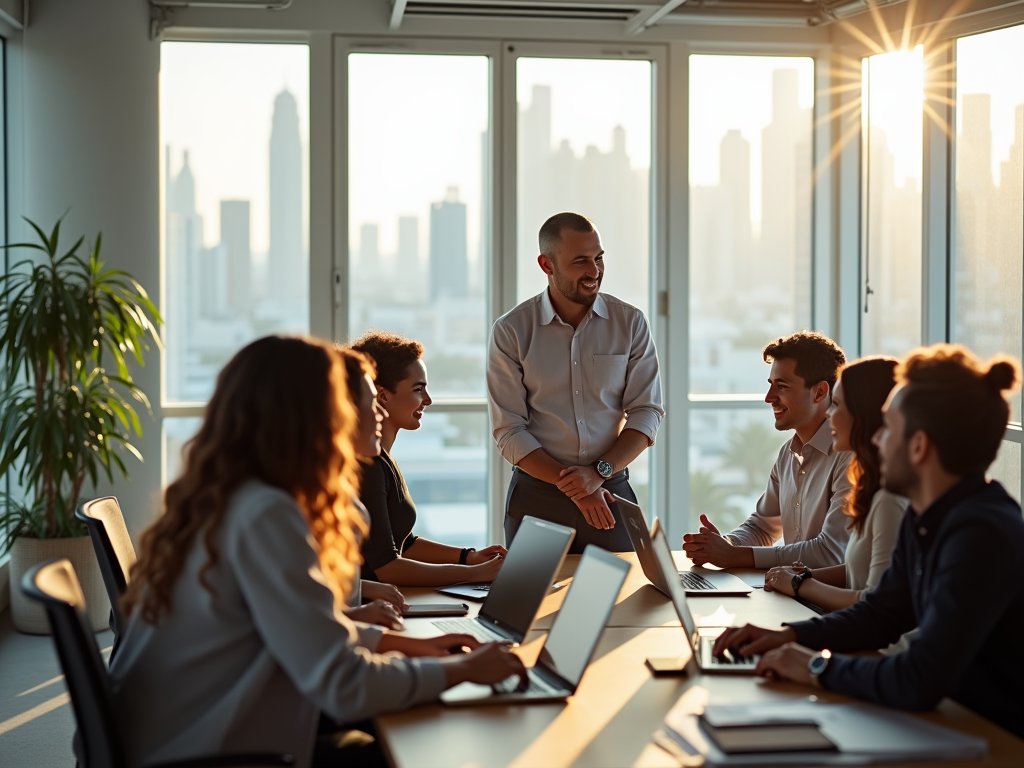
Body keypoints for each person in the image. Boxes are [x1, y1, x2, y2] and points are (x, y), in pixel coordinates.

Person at [112, 336, 526, 768]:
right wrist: (462, 671)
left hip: (184, 733)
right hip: (200, 751)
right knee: (411, 741)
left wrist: (418, 648)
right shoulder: (265, 514)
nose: (380, 412)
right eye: (368, 400)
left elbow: (300, 630)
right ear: (324, 415)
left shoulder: (242, 499)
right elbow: (343, 683)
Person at [714, 344, 1024, 739]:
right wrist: (788, 636)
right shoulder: (926, 515)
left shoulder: (982, 535)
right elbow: (881, 614)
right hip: (948, 722)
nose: (875, 439)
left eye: (888, 427)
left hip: (991, 739)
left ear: (918, 446)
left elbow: (920, 677)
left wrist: (814, 667)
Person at [487, 212, 664, 553]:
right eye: (581, 261)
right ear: (546, 265)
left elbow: (647, 412)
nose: (594, 271)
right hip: (536, 498)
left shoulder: (630, 323)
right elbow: (509, 430)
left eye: (598, 258)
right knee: (533, 605)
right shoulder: (511, 331)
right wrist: (577, 487)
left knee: (618, 603)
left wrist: (597, 474)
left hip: (611, 493)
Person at [683, 331, 852, 569]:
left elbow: (831, 552)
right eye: (771, 385)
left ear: (820, 392)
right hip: (793, 594)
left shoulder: (848, 455)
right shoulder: (788, 454)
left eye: (782, 386)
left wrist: (736, 556)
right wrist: (725, 544)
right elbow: (762, 528)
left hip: (826, 602)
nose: (769, 398)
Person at [350, 331, 507, 586]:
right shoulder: (369, 464)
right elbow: (387, 567)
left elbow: (404, 542)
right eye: (418, 389)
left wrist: (468, 557)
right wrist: (477, 574)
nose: (428, 399)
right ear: (382, 396)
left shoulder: (383, 459)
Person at [763, 358, 909, 627]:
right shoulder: (871, 486)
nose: (828, 413)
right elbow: (859, 570)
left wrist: (800, 584)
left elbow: (875, 603)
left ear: (865, 415)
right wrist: (806, 575)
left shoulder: (890, 501)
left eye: (838, 404)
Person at [337, 346, 409, 630]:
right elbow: (313, 642)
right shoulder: (276, 510)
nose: (381, 411)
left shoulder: (330, 494)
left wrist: (359, 588)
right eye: (370, 402)